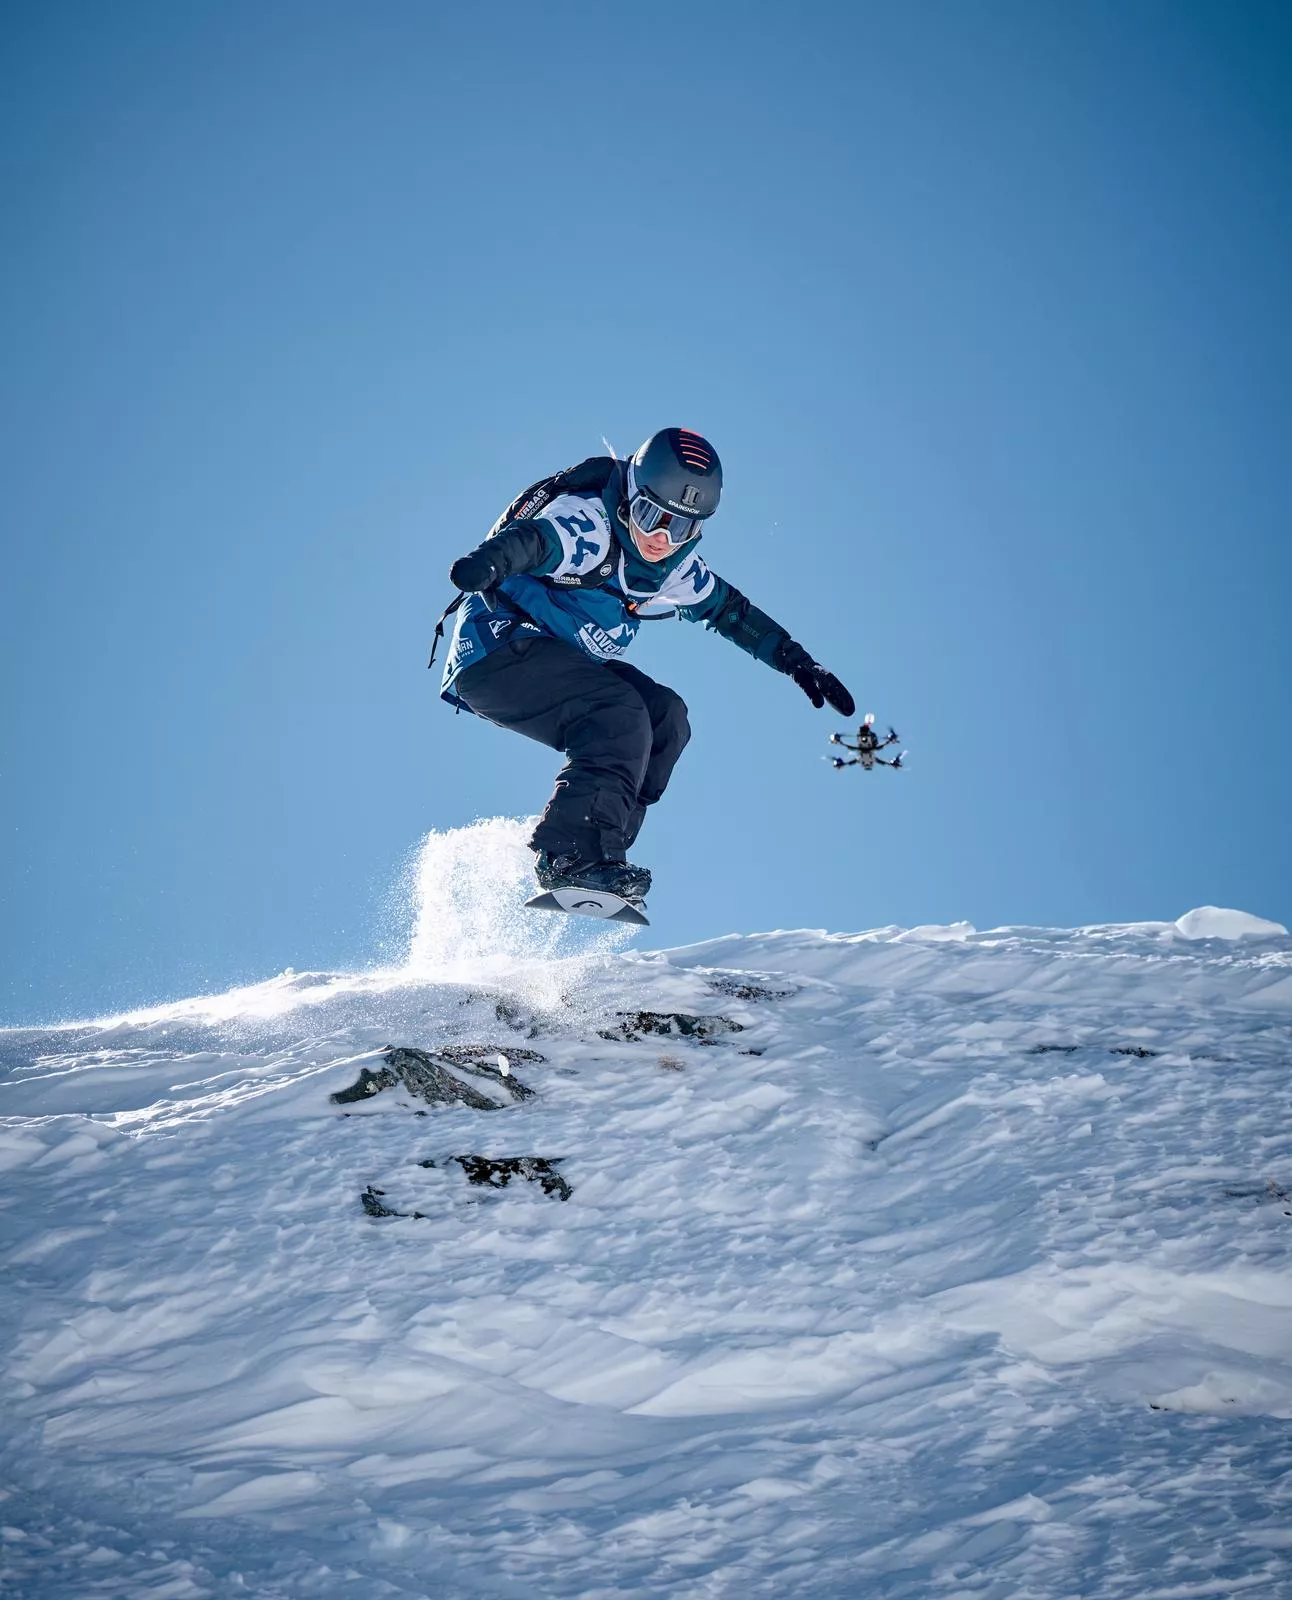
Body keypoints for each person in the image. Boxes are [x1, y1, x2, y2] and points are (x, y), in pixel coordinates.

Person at [439, 427, 854, 902]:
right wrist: (488, 563)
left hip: (556, 657)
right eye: (650, 515)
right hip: (499, 654)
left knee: (665, 718)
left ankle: (602, 848)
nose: (660, 538)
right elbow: (535, 541)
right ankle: (569, 854)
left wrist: (799, 664)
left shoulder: (671, 568)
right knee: (618, 714)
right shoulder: (589, 527)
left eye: (679, 528)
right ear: (630, 497)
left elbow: (729, 611)